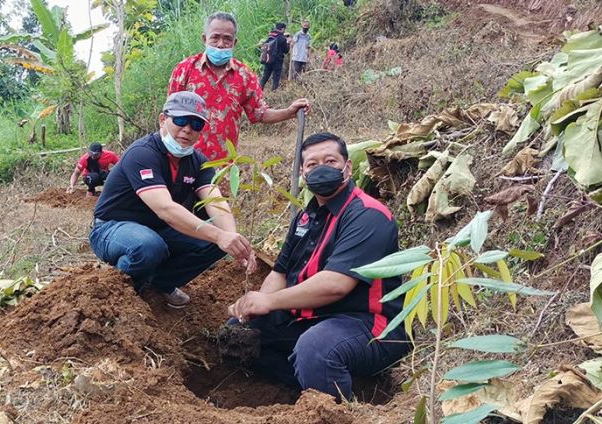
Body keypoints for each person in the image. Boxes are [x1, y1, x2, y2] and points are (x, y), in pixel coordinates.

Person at [227, 132, 409, 400]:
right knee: (239, 332)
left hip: (370, 325)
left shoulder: (368, 215)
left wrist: (270, 302)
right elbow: (280, 272)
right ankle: (313, 386)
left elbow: (335, 285)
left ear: (347, 167)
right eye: (312, 164)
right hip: (313, 318)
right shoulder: (305, 217)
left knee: (315, 349)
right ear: (302, 173)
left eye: (330, 161)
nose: (321, 168)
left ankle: (335, 407)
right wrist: (255, 305)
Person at [89, 91, 256, 308]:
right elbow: (165, 209)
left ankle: (160, 285)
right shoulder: (142, 153)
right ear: (163, 120)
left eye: (196, 124)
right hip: (111, 229)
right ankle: (122, 296)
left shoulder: (197, 161)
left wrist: (232, 239)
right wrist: (219, 235)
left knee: (216, 243)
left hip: (159, 230)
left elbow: (215, 201)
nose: (187, 129)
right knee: (148, 245)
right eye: (180, 120)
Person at [168, 12, 310, 160]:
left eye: (227, 39)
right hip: (184, 161)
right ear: (204, 39)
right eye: (215, 38)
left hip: (223, 168)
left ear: (234, 42)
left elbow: (260, 113)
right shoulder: (184, 69)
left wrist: (289, 112)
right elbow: (170, 115)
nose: (221, 44)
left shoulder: (244, 75)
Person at [260, 22, 290, 91]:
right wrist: (288, 44)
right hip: (278, 61)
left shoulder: (270, 36)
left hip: (268, 60)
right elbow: (286, 51)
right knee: (276, 78)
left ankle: (259, 92)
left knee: (265, 77)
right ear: (282, 29)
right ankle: (274, 93)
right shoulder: (282, 38)